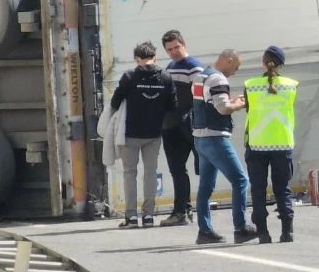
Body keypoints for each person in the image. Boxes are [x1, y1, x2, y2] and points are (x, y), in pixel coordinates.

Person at [191, 49, 260, 244]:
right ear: (229, 60)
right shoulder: (218, 79)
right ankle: (241, 227)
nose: (235, 72)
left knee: (206, 186)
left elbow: (210, 104)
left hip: (200, 137)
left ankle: (204, 231)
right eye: (236, 67)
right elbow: (222, 108)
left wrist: (230, 102)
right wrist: (238, 105)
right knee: (240, 180)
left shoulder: (200, 76)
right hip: (215, 137)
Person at [111, 41, 177, 229]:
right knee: (150, 174)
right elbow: (173, 105)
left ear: (137, 59)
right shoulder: (165, 77)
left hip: (130, 133)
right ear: (155, 57)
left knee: (129, 173)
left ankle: (131, 217)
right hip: (154, 134)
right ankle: (148, 216)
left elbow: (115, 101)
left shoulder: (130, 76)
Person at [244, 46, 299, 243]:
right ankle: (287, 231)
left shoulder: (251, 85)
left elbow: (248, 110)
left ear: (263, 61)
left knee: (258, 190)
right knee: (282, 188)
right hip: (282, 144)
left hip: (257, 144)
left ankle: (263, 233)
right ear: (281, 64)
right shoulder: (291, 85)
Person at [160, 30, 204, 226]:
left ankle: (202, 211)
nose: (174, 52)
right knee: (177, 170)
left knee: (203, 168)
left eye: (176, 47)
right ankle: (182, 211)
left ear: (184, 44)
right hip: (172, 127)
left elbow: (202, 97)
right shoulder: (169, 68)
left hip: (191, 124)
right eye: (169, 49)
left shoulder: (194, 67)